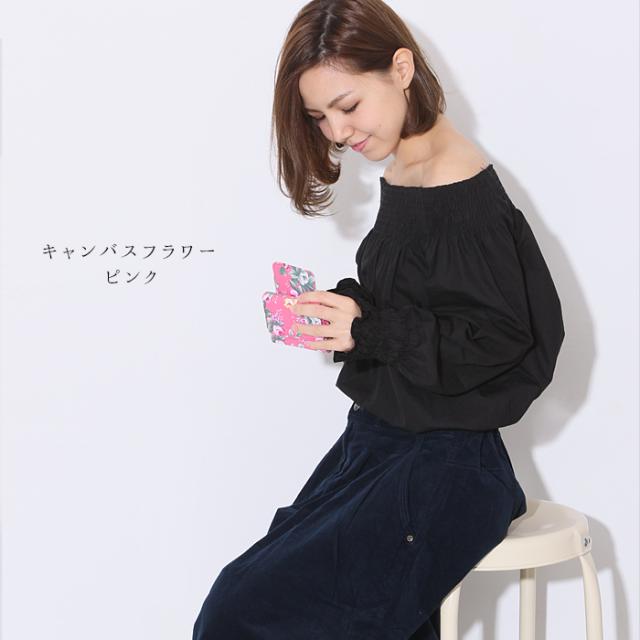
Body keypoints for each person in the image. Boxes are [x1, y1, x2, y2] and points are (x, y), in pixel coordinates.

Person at [192, 0, 565, 638]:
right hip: (379, 444)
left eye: (347, 106)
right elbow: (430, 302)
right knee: (250, 595)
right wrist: (350, 313)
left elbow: (504, 339)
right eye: (320, 117)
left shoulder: (458, 183)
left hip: (446, 462)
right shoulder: (406, 170)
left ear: (401, 69)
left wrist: (369, 330)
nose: (336, 132)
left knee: (243, 609)